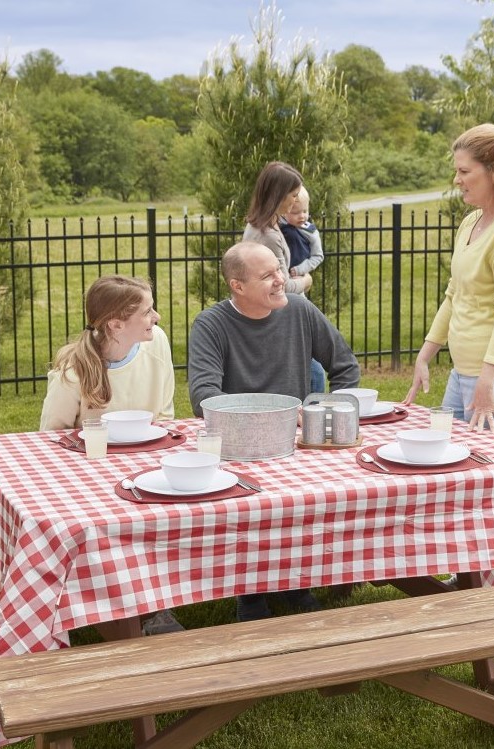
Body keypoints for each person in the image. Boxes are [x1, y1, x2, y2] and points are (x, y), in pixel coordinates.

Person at [187, 241, 361, 621]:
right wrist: (264, 418)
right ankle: (251, 594)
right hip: (236, 448)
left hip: (297, 444)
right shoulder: (211, 324)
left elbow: (345, 367)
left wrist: (324, 414)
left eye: (279, 270)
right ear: (238, 286)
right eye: (267, 275)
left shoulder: (300, 311)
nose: (281, 279)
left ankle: (296, 585)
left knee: (305, 506)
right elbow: (203, 396)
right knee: (251, 511)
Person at [39, 274, 182, 636]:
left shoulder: (157, 343)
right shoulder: (74, 372)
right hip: (89, 482)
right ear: (116, 325)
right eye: (148, 312)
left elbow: (165, 414)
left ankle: (155, 606)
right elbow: (48, 440)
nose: (157, 318)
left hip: (149, 471)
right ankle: (126, 622)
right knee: (112, 540)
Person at [403, 123, 494, 439]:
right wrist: (425, 356)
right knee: (446, 452)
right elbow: (455, 294)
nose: (457, 180)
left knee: (491, 467)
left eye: (464, 171)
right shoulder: (471, 222)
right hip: (465, 370)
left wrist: (487, 380)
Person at [280, 184, 327, 393]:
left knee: (304, 336)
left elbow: (318, 256)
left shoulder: (310, 231)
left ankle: (315, 398)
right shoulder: (276, 227)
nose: (301, 216)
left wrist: (301, 270)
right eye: (295, 211)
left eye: (305, 211)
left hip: (297, 284)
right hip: (284, 285)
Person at [241, 161, 313, 295]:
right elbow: (283, 286)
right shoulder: (267, 235)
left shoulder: (267, 223)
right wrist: (306, 281)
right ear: (279, 196)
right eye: (294, 195)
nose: (296, 201)